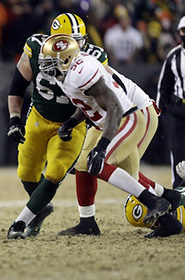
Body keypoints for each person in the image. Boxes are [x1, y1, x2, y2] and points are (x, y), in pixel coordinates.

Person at [37, 34, 182, 238]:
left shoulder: (81, 71)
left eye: (50, 62)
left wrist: (103, 145)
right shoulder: (66, 74)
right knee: (84, 166)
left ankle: (156, 201)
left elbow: (114, 106)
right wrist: (71, 122)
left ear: (67, 59)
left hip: (126, 116)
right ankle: (88, 222)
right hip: (107, 119)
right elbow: (89, 103)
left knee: (102, 163)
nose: (45, 67)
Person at [5, 13, 105, 238]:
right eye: (71, 41)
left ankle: (22, 221)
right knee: (26, 172)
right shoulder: (36, 48)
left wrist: (72, 122)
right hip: (39, 117)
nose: (77, 46)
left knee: (55, 171)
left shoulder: (93, 58)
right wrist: (14, 118)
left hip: (73, 122)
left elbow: (97, 100)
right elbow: (17, 86)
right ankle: (40, 209)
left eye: (79, 40)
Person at [156, 16, 185, 189]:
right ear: (179, 33)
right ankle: (179, 191)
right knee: (179, 153)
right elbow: (163, 87)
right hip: (180, 109)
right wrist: (158, 115)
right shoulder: (174, 56)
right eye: (184, 31)